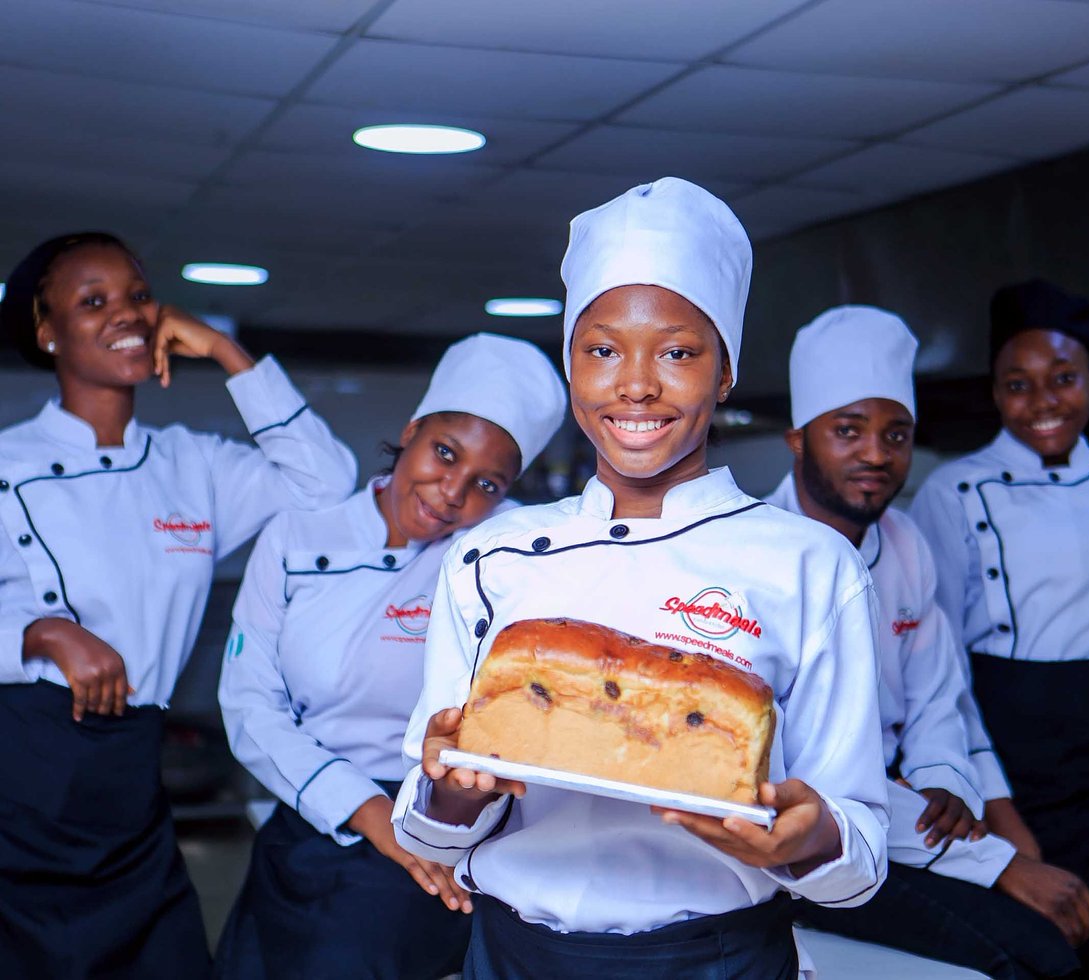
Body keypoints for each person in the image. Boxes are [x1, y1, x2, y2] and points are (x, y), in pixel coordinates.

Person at [390, 178, 890, 980]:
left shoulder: (808, 563)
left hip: (715, 958)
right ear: (571, 365)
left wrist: (812, 838)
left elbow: (860, 859)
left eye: (679, 352)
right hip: (515, 953)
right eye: (602, 350)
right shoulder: (493, 555)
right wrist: (454, 790)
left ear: (725, 373)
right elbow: (425, 831)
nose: (636, 385)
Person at [0, 231, 357, 978]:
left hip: (129, 766)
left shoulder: (191, 464)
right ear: (45, 332)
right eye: (92, 301)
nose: (125, 313)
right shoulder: (8, 464)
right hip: (23, 765)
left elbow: (324, 484)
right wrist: (39, 631)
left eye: (136, 295)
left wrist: (232, 356)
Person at [213, 333, 567, 979]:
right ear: (410, 431)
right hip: (308, 821)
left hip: (437, 831)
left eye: (486, 483)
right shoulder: (300, 535)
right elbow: (249, 703)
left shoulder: (509, 554)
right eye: (444, 453)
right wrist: (366, 810)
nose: (451, 493)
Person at [768, 305, 1089, 979]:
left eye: (897, 434)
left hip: (907, 823)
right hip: (812, 855)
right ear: (798, 439)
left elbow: (937, 694)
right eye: (848, 431)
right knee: (1031, 957)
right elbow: (801, 779)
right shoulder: (759, 561)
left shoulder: (907, 542)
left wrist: (944, 775)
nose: (876, 455)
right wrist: (994, 860)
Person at [910, 278, 1089, 978]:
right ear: (995, 394)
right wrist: (998, 809)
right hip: (1014, 742)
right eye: (1018, 384)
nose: (1042, 402)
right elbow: (938, 657)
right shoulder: (951, 492)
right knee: (1038, 943)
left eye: (1063, 378)